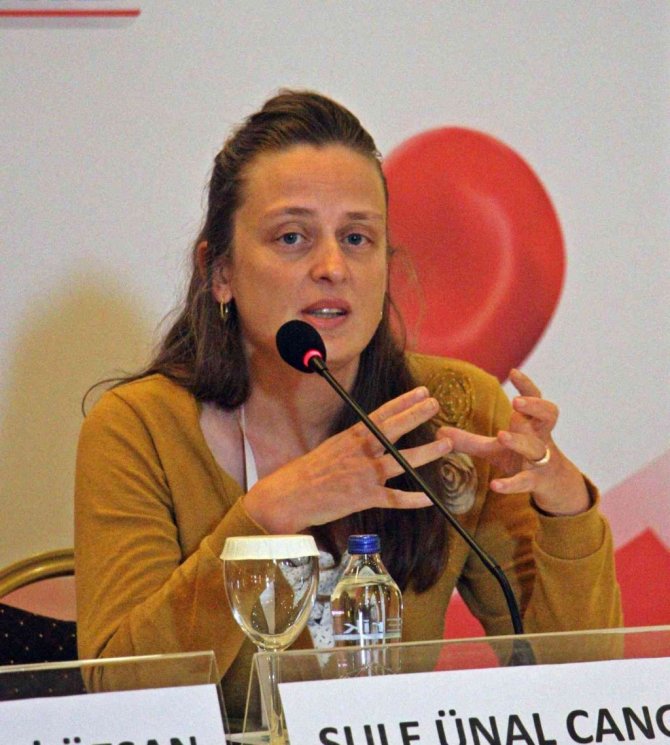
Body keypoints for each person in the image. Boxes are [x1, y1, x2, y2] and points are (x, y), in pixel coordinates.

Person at [74, 90, 622, 719]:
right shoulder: (140, 429)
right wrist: (265, 517)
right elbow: (124, 696)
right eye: (292, 237)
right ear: (219, 271)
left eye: (357, 238)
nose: (332, 266)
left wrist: (563, 504)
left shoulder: (455, 411)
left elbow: (582, 689)